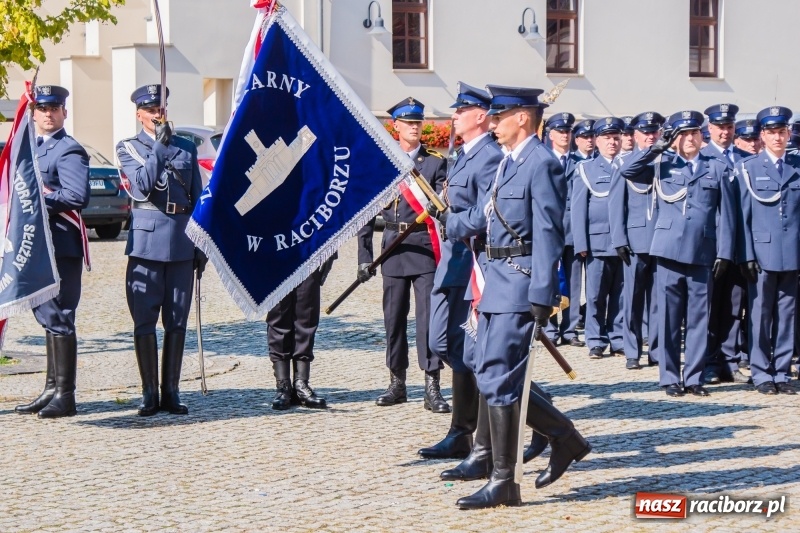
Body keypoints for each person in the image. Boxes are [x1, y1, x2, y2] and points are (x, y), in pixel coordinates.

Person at [430, 85, 591, 509]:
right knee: (487, 370)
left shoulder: (540, 164)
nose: (493, 124)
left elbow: (550, 232)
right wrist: (450, 220)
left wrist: (544, 291)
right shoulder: (508, 165)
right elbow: (485, 214)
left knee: (498, 376)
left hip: (519, 281)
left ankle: (505, 479)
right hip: (494, 278)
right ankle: (563, 437)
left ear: (523, 117)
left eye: (500, 117)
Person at [618, 110, 735, 398]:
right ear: (674, 139)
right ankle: (670, 377)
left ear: (701, 136)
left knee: (698, 319)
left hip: (703, 252)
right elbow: (628, 171)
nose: (689, 139)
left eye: (694, 133)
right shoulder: (663, 165)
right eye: (682, 134)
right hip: (668, 250)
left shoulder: (715, 167)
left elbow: (727, 214)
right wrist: (656, 147)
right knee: (668, 318)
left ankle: (694, 378)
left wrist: (725, 252)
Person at [418, 83, 502, 459]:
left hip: (472, 268)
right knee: (442, 343)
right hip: (451, 265)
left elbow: (488, 213)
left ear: (480, 116)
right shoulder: (463, 154)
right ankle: (466, 429)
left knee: (470, 349)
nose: (453, 116)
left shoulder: (490, 156)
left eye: (460, 110)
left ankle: (471, 431)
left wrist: (450, 220)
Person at [116, 84, 205, 416]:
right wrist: (160, 147)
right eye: (151, 109)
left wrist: (201, 245)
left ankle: (172, 391)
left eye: (161, 108)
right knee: (144, 321)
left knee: (177, 322)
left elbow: (197, 199)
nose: (157, 114)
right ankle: (149, 393)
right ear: (139, 113)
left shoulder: (187, 147)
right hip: (146, 244)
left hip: (182, 242)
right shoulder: (129, 147)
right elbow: (141, 185)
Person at [357, 97, 448, 410]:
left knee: (428, 319)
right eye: (408, 123)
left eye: (418, 123)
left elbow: (441, 208)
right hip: (393, 247)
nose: (414, 127)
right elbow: (366, 212)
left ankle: (432, 384)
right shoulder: (382, 162)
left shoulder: (434, 163)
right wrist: (364, 257)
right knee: (393, 318)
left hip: (424, 247)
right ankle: (397, 382)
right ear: (394, 126)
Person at [15, 85, 90, 418]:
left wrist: (33, 202)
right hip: (40, 246)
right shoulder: (32, 148)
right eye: (42, 108)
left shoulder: (68, 149)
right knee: (49, 318)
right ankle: (52, 389)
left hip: (61, 244)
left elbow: (76, 196)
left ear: (64, 113)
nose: (48, 114)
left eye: (54, 108)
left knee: (59, 315)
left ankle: (66, 395)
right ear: (34, 113)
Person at [736, 106, 799, 395]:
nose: (777, 137)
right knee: (760, 315)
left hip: (792, 252)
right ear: (763, 135)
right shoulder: (749, 168)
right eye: (772, 132)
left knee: (787, 315)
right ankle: (761, 372)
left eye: (782, 132)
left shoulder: (796, 167)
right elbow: (743, 217)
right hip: (762, 253)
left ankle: (782, 370)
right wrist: (747, 254)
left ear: (788, 134)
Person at [609, 111, 665, 370]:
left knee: (658, 300)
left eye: (654, 132)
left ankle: (656, 350)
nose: (651, 136)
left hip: (662, 240)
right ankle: (632, 350)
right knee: (632, 299)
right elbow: (615, 203)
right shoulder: (626, 163)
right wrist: (619, 238)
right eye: (646, 132)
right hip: (634, 240)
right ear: (635, 135)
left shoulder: (667, 162)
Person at [701, 104, 751, 384]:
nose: (725, 132)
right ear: (710, 129)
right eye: (720, 127)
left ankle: (730, 360)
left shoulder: (746, 160)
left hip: (738, 246)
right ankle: (710, 361)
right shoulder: (702, 157)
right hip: (710, 246)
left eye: (729, 127)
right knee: (708, 306)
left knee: (734, 306)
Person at [572, 117, 626, 359]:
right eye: (607, 138)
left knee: (621, 295)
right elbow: (578, 207)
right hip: (598, 242)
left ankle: (618, 338)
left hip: (625, 243)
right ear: (596, 140)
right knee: (595, 296)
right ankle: (595, 340)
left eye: (616, 137)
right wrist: (581, 243)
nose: (612, 142)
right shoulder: (586, 169)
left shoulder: (628, 165)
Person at [267, 256, 335, 410]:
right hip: (275, 253)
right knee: (278, 316)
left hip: (309, 252)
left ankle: (301, 383)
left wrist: (331, 251)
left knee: (306, 317)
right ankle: (283, 386)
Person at [543, 112, 585, 348]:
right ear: (551, 135)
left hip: (573, 231)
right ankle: (550, 327)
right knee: (550, 279)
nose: (565, 135)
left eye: (568, 131)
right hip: (549, 230)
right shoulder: (544, 160)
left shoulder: (580, 163)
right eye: (560, 131)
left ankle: (570, 329)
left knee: (574, 281)